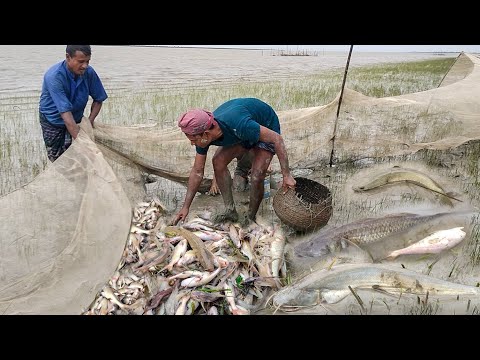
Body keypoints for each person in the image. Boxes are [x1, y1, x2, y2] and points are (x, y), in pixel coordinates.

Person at [172, 97, 296, 225]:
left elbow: (277, 139)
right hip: (243, 132)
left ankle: (251, 217)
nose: (192, 144)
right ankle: (230, 210)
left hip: (266, 125)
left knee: (257, 175)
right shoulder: (201, 135)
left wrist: (286, 175)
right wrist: (185, 207)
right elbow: (197, 172)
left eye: (193, 140)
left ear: (206, 134)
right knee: (218, 161)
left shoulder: (238, 124)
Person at [39, 45, 108, 162]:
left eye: (88, 61)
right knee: (58, 160)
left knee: (80, 158)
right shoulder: (54, 77)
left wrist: (89, 122)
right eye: (81, 62)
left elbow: (98, 99)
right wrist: (82, 142)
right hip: (53, 121)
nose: (85, 66)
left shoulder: (89, 72)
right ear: (68, 57)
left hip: (76, 119)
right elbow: (66, 115)